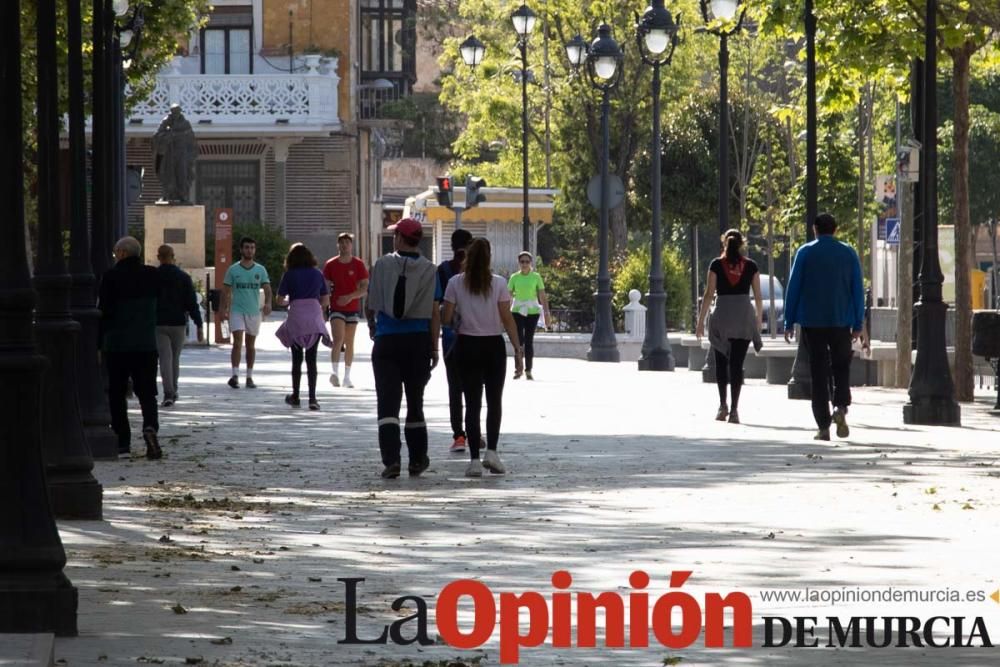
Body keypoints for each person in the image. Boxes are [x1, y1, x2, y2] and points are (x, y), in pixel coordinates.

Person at [365, 218, 440, 479]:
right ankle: (418, 459)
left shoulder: (382, 265)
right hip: (417, 341)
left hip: (387, 341)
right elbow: (434, 311)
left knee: (387, 403)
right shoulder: (431, 270)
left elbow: (370, 303)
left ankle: (391, 460)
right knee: (415, 401)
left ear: (399, 237)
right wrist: (434, 347)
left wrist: (374, 329)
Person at [442, 238, 524, 477]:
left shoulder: (455, 283)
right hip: (493, 346)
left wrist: (455, 314)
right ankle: (493, 453)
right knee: (494, 401)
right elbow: (507, 318)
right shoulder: (499, 283)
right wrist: (518, 350)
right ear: (489, 258)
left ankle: (474, 460)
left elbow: (446, 318)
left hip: (466, 345)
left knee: (472, 403)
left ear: (467, 256)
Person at [783, 212, 865, 441]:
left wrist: (789, 321)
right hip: (841, 321)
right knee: (841, 366)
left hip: (812, 321)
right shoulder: (848, 253)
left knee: (818, 372)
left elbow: (794, 288)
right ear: (835, 230)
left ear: (815, 230)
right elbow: (857, 290)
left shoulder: (805, 252)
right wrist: (858, 322)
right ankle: (840, 406)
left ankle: (823, 426)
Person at [98, 236, 162, 460]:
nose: (115, 254)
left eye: (116, 251)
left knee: (116, 394)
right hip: (145, 344)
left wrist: (99, 344)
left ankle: (122, 442)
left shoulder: (111, 277)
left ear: (123, 253)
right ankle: (150, 427)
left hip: (117, 345)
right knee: (147, 393)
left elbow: (104, 312)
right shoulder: (152, 275)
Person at [696, 229, 763, 424]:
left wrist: (700, 322)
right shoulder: (751, 266)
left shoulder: (716, 265)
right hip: (743, 316)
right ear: (742, 244)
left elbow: (709, 294)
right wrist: (757, 318)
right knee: (737, 364)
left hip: (723, 315)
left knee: (721, 362)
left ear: (724, 243)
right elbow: (758, 295)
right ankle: (735, 410)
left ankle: (722, 405)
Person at [276, 243, 332, 410]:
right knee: (312, 359)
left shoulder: (289, 275)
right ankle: (313, 399)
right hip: (314, 318)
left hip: (296, 318)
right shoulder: (317, 274)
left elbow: (279, 300)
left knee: (296, 360)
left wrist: (289, 302)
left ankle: (295, 396)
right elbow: (325, 300)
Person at [437, 228, 473, 452]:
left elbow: (437, 305)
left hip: (451, 336)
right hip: (475, 335)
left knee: (455, 388)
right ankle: (474, 432)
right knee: (474, 388)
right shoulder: (477, 271)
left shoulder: (442, 270)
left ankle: (459, 435)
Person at [154, 244, 203, 407]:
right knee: (175, 358)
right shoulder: (183, 277)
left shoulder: (154, 276)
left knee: (164, 359)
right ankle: (173, 390)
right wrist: (199, 323)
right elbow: (191, 303)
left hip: (159, 323)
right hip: (178, 323)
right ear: (173, 256)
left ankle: (168, 392)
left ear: (158, 257)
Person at [221, 236, 272, 389]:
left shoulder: (260, 269)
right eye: (246, 247)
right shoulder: (233, 269)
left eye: (252, 247)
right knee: (237, 343)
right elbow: (226, 291)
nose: (249, 250)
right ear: (241, 250)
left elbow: (268, 288)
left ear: (254, 250)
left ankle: (249, 376)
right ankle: (235, 375)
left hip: (253, 312)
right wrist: (222, 308)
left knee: (250, 345)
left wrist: (268, 303)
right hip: (237, 310)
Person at [322, 233, 369, 389]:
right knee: (338, 339)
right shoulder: (330, 264)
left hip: (352, 308)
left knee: (350, 342)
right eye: (341, 242)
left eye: (347, 242)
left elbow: (364, 288)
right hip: (336, 308)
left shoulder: (358, 264)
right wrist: (323, 307)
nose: (344, 245)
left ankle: (347, 377)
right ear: (338, 245)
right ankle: (334, 373)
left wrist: (350, 297)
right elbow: (325, 287)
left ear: (351, 245)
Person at [507, 251, 551, 381]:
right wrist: (505, 312)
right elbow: (508, 295)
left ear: (531, 263)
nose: (525, 264)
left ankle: (528, 370)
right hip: (518, 311)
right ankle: (518, 369)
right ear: (519, 263)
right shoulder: (514, 277)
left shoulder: (536, 277)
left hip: (532, 311)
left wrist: (547, 312)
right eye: (522, 262)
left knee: (529, 340)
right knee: (518, 341)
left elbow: (542, 295)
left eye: (527, 261)